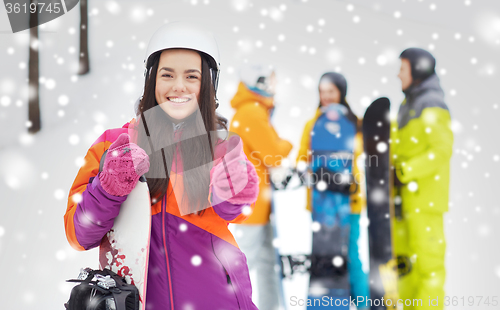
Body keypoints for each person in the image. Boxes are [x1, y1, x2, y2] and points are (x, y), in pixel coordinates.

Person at [63, 22, 260, 309]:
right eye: (167, 74)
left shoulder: (218, 145)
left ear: (208, 85)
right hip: (137, 300)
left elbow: (237, 212)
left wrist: (237, 190)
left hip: (218, 301)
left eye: (192, 76)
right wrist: (108, 189)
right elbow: (78, 234)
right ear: (151, 79)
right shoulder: (113, 145)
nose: (178, 86)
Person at [296, 72, 369, 308]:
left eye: (331, 91)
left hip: (350, 203)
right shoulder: (312, 123)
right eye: (322, 92)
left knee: (350, 257)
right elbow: (301, 160)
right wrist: (315, 173)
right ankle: (327, 303)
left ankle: (364, 303)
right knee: (325, 258)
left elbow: (356, 154)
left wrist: (339, 178)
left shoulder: (353, 123)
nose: (326, 97)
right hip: (321, 205)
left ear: (341, 92)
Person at [392, 48, 453, 310]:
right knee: (404, 267)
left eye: (402, 69)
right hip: (403, 203)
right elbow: (401, 147)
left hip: (424, 203)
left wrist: (406, 172)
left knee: (428, 268)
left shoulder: (432, 104)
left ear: (417, 71)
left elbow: (441, 150)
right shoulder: (408, 105)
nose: (398, 75)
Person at [229, 64, 293, 310]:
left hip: (258, 203)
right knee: (247, 262)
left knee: (267, 262)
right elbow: (274, 153)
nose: (273, 88)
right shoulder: (251, 112)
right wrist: (286, 144)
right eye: (270, 82)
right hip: (251, 204)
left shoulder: (254, 111)